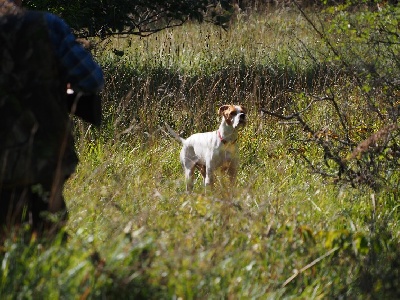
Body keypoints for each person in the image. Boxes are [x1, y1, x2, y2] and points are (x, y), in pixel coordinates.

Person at [0, 0, 104, 237]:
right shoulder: (47, 25)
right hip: (45, 152)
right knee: (49, 228)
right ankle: (51, 272)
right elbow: (92, 79)